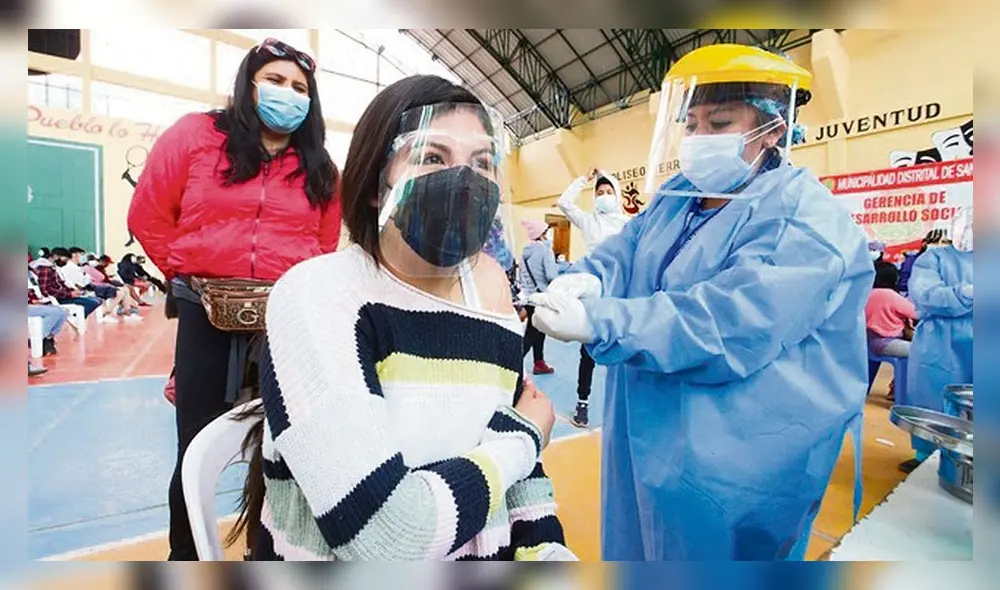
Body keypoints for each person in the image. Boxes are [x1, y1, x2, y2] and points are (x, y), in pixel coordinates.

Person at [528, 45, 872, 560]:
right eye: (691, 124)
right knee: (640, 543)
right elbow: (628, 247)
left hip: (736, 451)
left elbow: (732, 319)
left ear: (773, 128)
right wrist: (590, 279)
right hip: (647, 430)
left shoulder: (804, 216)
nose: (699, 139)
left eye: (720, 122)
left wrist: (601, 318)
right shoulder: (679, 195)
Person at [235, 75, 570, 561]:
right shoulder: (323, 295)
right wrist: (526, 438)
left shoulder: (490, 290)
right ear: (375, 185)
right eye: (432, 157)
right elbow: (388, 540)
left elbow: (517, 474)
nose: (466, 179)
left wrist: (548, 554)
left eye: (482, 162)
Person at [128, 37, 342, 561]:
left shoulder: (320, 167)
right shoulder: (195, 135)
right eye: (274, 80)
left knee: (281, 450)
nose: (286, 94)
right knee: (195, 449)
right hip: (206, 315)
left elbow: (326, 243)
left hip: (284, 326)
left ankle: (267, 552)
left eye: (299, 87)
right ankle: (187, 556)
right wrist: (187, 274)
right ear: (248, 83)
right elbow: (149, 214)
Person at [557, 167, 629, 427]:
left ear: (617, 194)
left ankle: (622, 404)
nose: (604, 195)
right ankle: (582, 403)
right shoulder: (588, 221)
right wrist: (583, 179)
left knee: (622, 349)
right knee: (588, 351)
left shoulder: (627, 223)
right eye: (600, 192)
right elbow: (564, 203)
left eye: (609, 191)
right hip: (595, 290)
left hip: (621, 292)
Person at [903, 208, 973, 471]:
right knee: (932, 395)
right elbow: (926, 295)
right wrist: (966, 294)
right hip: (939, 340)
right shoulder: (933, 259)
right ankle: (925, 454)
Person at [865, 263, 917, 401]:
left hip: (869, 342)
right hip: (887, 342)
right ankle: (900, 392)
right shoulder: (889, 295)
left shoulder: (866, 293)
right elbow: (916, 312)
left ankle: (895, 389)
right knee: (919, 350)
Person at [518, 220, 559, 375]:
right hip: (541, 296)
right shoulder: (545, 250)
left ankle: (539, 362)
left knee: (539, 330)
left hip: (529, 296)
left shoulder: (525, 252)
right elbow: (551, 275)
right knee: (533, 332)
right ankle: (513, 362)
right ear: (541, 234)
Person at [33, 249, 103, 318]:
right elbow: (46, 290)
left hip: (62, 296)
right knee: (92, 303)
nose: (65, 262)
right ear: (56, 256)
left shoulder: (52, 268)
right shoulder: (45, 269)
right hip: (57, 299)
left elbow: (60, 284)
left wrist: (72, 291)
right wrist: (69, 294)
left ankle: (75, 319)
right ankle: (74, 319)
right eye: (65, 260)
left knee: (96, 301)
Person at [29, 270, 68, 356]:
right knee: (55, 313)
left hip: (32, 303)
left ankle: (48, 337)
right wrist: (31, 300)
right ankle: (37, 338)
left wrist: (36, 299)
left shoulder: (30, 274)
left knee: (63, 311)